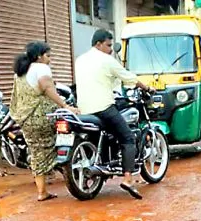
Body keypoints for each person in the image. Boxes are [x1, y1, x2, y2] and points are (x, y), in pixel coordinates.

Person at [76, 29, 147, 199]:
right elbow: (128, 77)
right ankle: (128, 179)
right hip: (104, 107)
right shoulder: (107, 60)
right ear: (98, 44)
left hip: (84, 109)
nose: (110, 49)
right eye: (108, 45)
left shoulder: (80, 60)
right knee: (128, 138)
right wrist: (146, 87)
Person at [10, 41, 76, 202]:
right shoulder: (41, 68)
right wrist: (66, 105)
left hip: (26, 118)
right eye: (48, 56)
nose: (50, 60)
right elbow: (47, 88)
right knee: (66, 137)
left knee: (36, 152)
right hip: (43, 116)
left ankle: (42, 192)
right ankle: (67, 168)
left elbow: (17, 97)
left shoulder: (20, 72)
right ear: (39, 56)